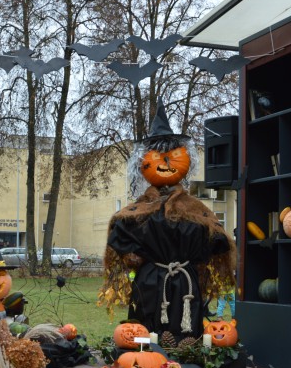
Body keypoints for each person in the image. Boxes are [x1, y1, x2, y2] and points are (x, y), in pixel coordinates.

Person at [101, 99, 236, 342]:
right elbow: (120, 242)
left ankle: (183, 351)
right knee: (147, 335)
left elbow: (217, 242)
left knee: (186, 335)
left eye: (174, 156)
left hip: (185, 285)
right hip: (151, 284)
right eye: (156, 156)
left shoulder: (195, 210)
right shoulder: (136, 213)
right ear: (143, 163)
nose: (164, 163)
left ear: (186, 160)